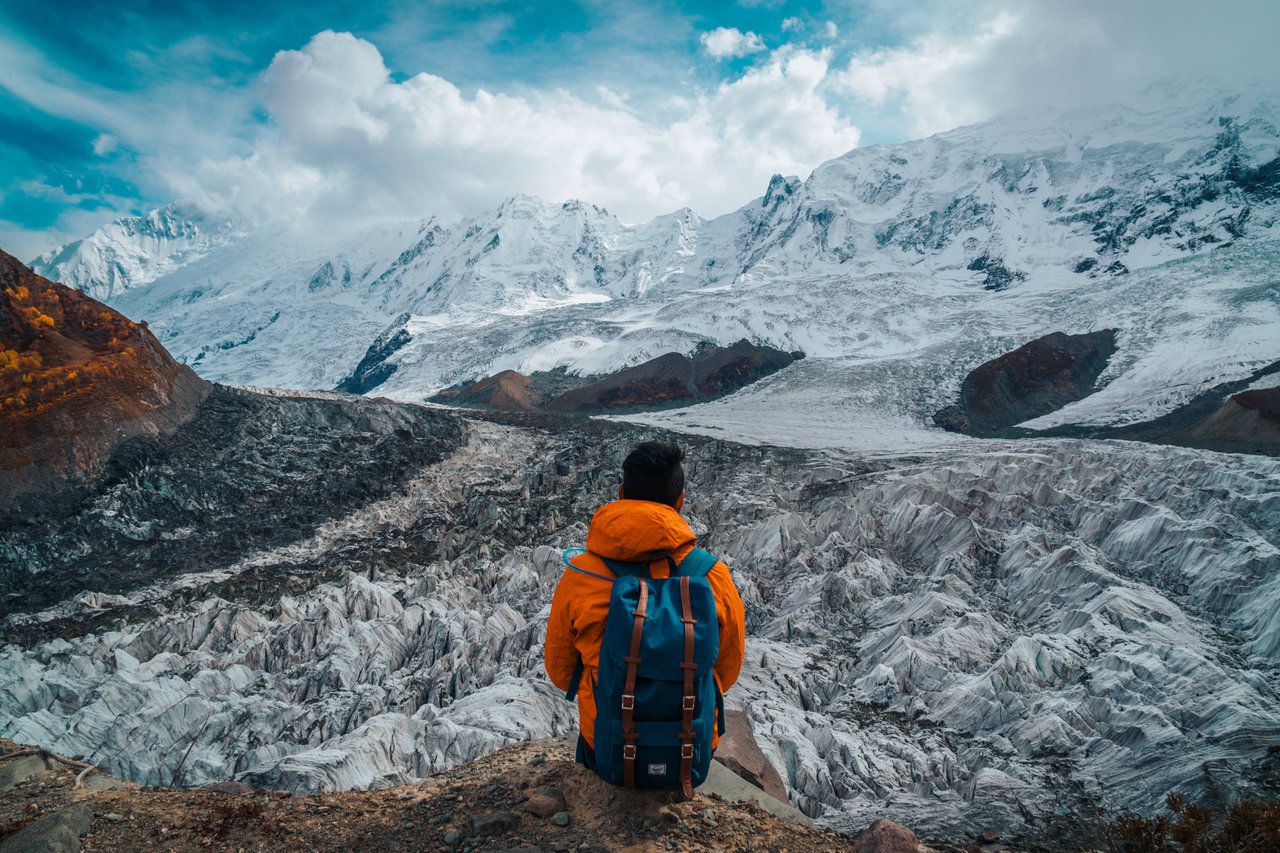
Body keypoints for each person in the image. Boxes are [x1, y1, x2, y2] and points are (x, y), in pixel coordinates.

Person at [544, 440, 746, 777]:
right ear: (679, 501)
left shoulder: (581, 575)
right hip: (688, 749)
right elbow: (727, 669)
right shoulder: (712, 576)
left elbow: (560, 670)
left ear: (621, 492)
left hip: (606, 745)